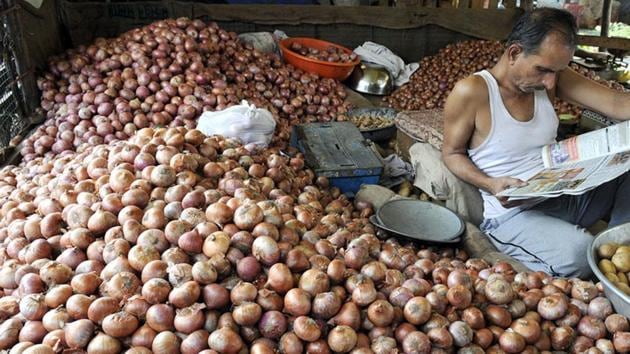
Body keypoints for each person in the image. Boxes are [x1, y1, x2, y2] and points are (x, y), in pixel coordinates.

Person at [442, 8, 630, 278]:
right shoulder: (473, 92)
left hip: (563, 193)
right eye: (542, 70)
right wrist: (491, 183)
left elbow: (615, 103)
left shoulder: (551, 78)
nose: (550, 82)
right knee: (582, 255)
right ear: (515, 53)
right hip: (513, 214)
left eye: (557, 71)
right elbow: (451, 153)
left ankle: (622, 253)